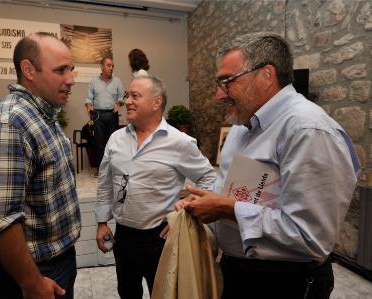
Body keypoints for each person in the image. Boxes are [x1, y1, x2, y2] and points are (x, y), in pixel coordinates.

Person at [176, 32, 361, 299]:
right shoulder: (241, 127)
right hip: (240, 274)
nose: (218, 95)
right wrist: (201, 207)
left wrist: (228, 209)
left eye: (226, 82)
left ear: (266, 75)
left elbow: (310, 239)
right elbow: (231, 193)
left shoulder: (308, 130)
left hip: (285, 283)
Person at [0, 32, 81, 299]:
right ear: (29, 70)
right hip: (30, 273)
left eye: (71, 69)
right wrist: (32, 283)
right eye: (61, 70)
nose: (71, 79)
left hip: (55, 261)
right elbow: (0, 220)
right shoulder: (9, 125)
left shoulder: (44, 115)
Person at [95, 76, 217, 299]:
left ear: (156, 102)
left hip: (160, 239)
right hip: (123, 237)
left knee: (162, 293)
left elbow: (209, 178)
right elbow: (105, 183)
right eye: (127, 96)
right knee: (127, 292)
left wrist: (186, 212)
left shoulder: (179, 142)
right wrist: (102, 222)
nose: (127, 101)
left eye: (135, 96)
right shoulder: (115, 139)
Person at [85, 57, 125, 177]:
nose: (111, 68)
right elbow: (89, 97)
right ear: (102, 67)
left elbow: (122, 97)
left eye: (112, 66)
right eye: (108, 65)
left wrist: (119, 103)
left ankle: (112, 169)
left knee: (113, 143)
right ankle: (100, 168)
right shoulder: (93, 81)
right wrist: (89, 105)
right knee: (99, 142)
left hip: (112, 114)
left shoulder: (117, 81)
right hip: (98, 115)